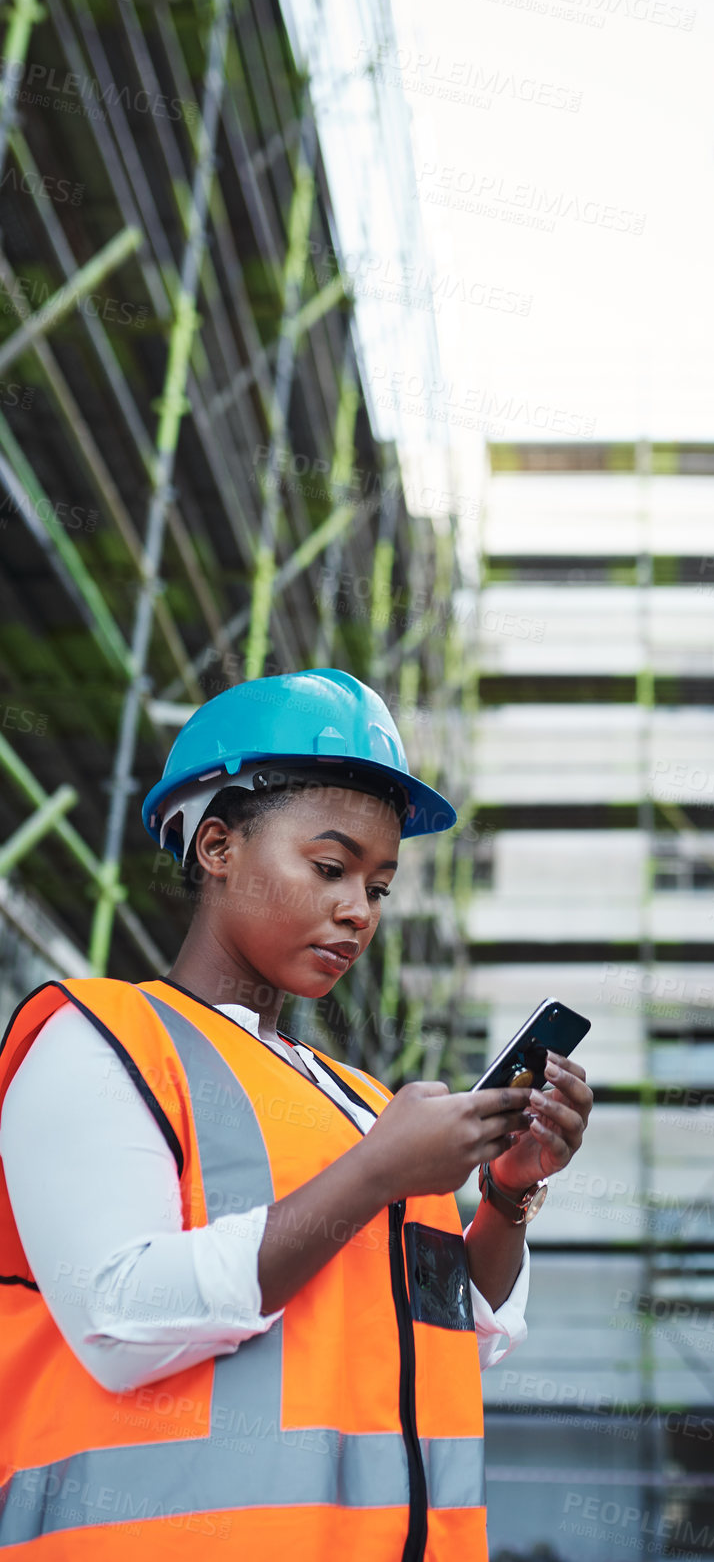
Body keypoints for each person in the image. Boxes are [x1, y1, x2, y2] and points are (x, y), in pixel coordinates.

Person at [0, 668, 593, 1559]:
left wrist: (506, 1195)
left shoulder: (366, 1105)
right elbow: (119, 1322)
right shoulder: (99, 1038)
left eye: (380, 886)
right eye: (329, 867)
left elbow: (442, 1342)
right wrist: (377, 1175)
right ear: (216, 847)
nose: (358, 911)